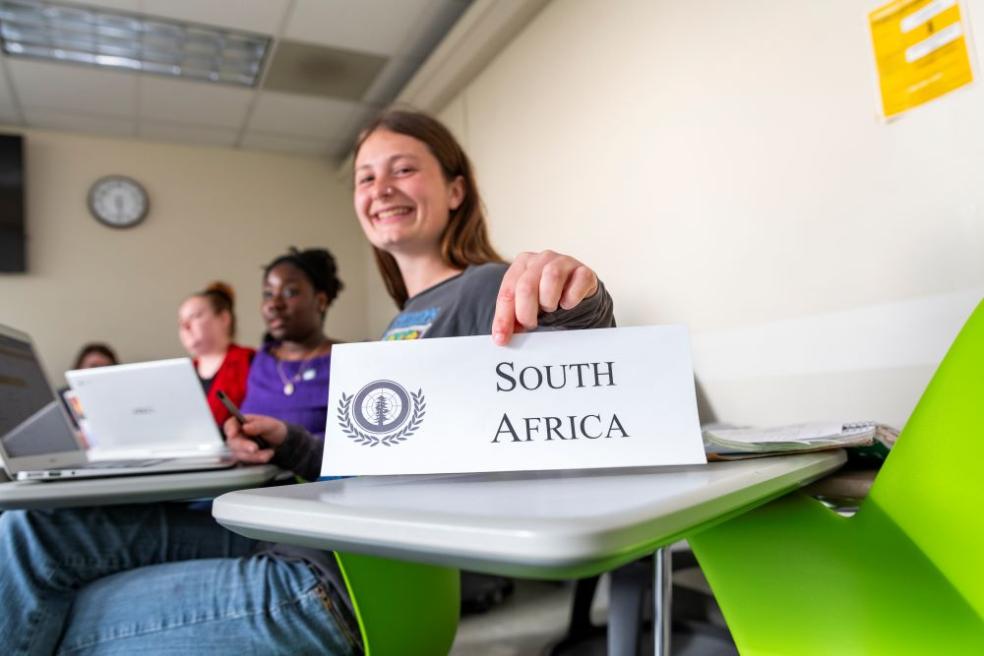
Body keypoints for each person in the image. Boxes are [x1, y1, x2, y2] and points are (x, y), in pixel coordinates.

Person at [0, 110, 614, 654]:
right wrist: (290, 443)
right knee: (28, 531)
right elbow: (382, 470)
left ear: (455, 190)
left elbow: (576, 391)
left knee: (62, 617)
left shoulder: (487, 287)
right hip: (304, 541)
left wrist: (574, 296)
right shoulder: (403, 322)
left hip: (336, 584)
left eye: (402, 170)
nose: (380, 189)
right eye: (366, 177)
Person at [178, 282, 254, 425]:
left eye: (195, 316)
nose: (185, 326)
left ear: (224, 318)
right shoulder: (182, 374)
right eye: (181, 321)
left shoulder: (251, 361)